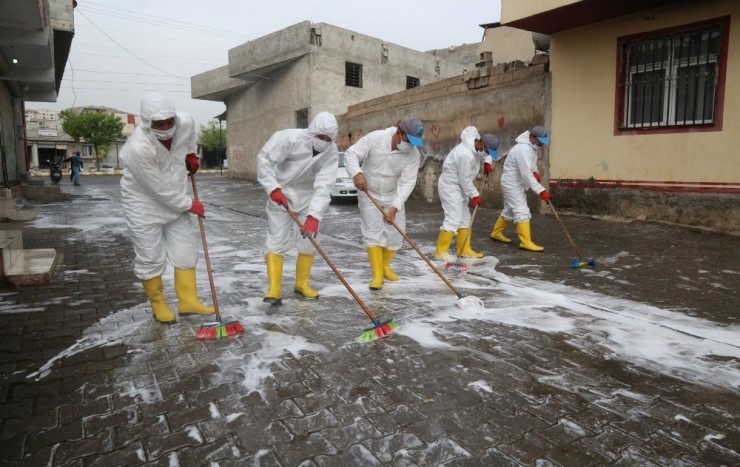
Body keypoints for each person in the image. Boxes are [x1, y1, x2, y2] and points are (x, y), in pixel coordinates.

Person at [119, 93, 214, 324]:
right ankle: (158, 304)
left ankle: (188, 302)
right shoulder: (137, 149)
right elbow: (157, 190)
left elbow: (189, 138)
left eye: (169, 121)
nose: (166, 127)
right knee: (151, 257)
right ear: (147, 123)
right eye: (159, 124)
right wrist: (191, 204)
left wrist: (191, 153)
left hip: (177, 197)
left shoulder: (186, 121)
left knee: (186, 252)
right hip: (143, 204)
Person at [257, 112, 339, 305]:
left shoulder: (332, 151)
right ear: (312, 131)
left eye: (328, 139)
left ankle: (302, 284)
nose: (323, 142)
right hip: (281, 195)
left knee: (308, 242)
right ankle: (274, 289)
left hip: (308, 198)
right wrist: (272, 187)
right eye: (320, 137)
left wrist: (314, 215)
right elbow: (264, 159)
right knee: (277, 239)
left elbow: (326, 183)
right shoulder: (289, 137)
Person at [344, 117, 424, 290]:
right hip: (368, 192)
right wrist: (356, 173)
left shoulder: (413, 154)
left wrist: (395, 206)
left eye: (414, 142)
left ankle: (385, 265)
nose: (410, 145)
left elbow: (407, 182)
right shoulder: (376, 138)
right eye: (408, 140)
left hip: (392, 194)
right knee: (372, 233)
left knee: (397, 233)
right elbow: (351, 154)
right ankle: (377, 275)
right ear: (398, 133)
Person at [434, 128, 499, 261]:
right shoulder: (465, 155)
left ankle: (464, 249)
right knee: (453, 218)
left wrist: (487, 162)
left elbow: (485, 154)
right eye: (487, 151)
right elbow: (465, 179)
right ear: (481, 144)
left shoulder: (477, 145)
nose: (488, 154)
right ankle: (440, 252)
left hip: (460, 185)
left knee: (465, 218)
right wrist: (475, 195)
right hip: (450, 185)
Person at [490, 125, 551, 251]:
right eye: (540, 141)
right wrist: (541, 190)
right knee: (521, 210)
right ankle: (525, 242)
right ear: (532, 137)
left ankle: (496, 233)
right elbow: (525, 174)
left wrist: (535, 171)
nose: (541, 145)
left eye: (543, 142)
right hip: (512, 183)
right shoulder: (523, 149)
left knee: (510, 210)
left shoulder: (532, 148)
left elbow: (531, 164)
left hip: (516, 182)